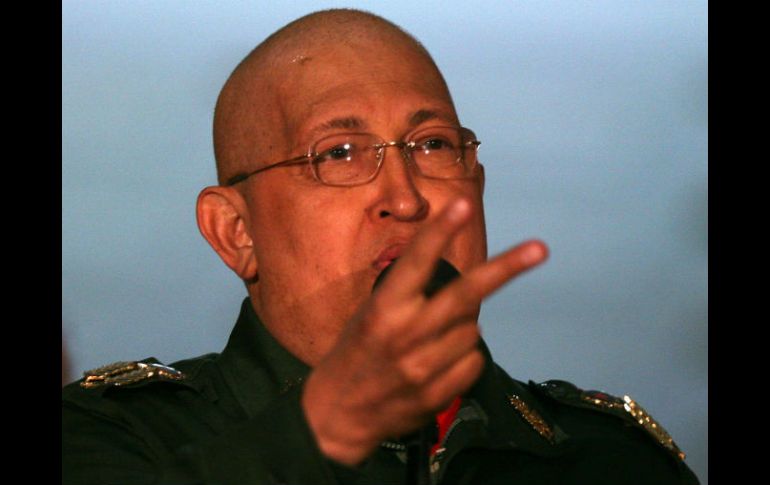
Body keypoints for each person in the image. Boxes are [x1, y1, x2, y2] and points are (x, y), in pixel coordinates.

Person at [62, 9, 699, 485]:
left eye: (434, 146)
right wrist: (320, 433)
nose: (406, 196)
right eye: (339, 153)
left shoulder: (609, 459)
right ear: (236, 231)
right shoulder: (107, 439)